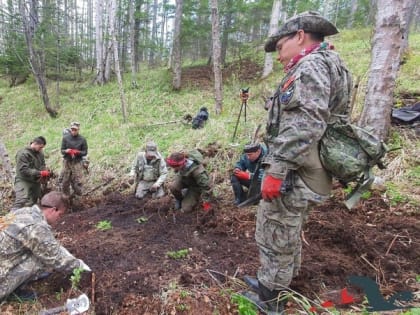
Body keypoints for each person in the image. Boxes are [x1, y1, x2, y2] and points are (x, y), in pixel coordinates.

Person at [243, 11, 352, 313]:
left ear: (300, 36)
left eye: (279, 47)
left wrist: (277, 169)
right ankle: (276, 281)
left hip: (297, 168)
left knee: (275, 228)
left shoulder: (309, 67)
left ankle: (270, 298)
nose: (278, 56)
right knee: (288, 229)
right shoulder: (332, 63)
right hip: (312, 164)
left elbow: (306, 123)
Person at [0, 191, 91, 301]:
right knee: (41, 259)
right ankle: (11, 291)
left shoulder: (24, 212)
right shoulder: (36, 226)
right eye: (60, 215)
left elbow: (51, 245)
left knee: (39, 251)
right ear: (53, 209)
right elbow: (55, 257)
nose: (60, 219)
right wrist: (80, 266)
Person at [12, 136, 51, 211]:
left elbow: (42, 164)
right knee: (21, 201)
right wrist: (40, 173)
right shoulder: (23, 153)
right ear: (35, 144)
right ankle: (10, 219)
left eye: (42, 148)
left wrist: (45, 171)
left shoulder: (40, 153)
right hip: (23, 180)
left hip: (35, 180)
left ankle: (27, 219)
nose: (41, 149)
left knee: (33, 202)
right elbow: (23, 170)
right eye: (40, 147)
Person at [59, 122, 88, 197]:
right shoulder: (65, 138)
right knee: (65, 180)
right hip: (67, 162)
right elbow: (62, 150)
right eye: (72, 129)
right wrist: (66, 151)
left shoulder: (82, 139)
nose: (74, 131)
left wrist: (77, 152)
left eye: (75, 130)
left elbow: (85, 152)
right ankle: (65, 196)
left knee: (78, 180)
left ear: (78, 130)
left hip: (77, 162)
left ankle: (79, 195)